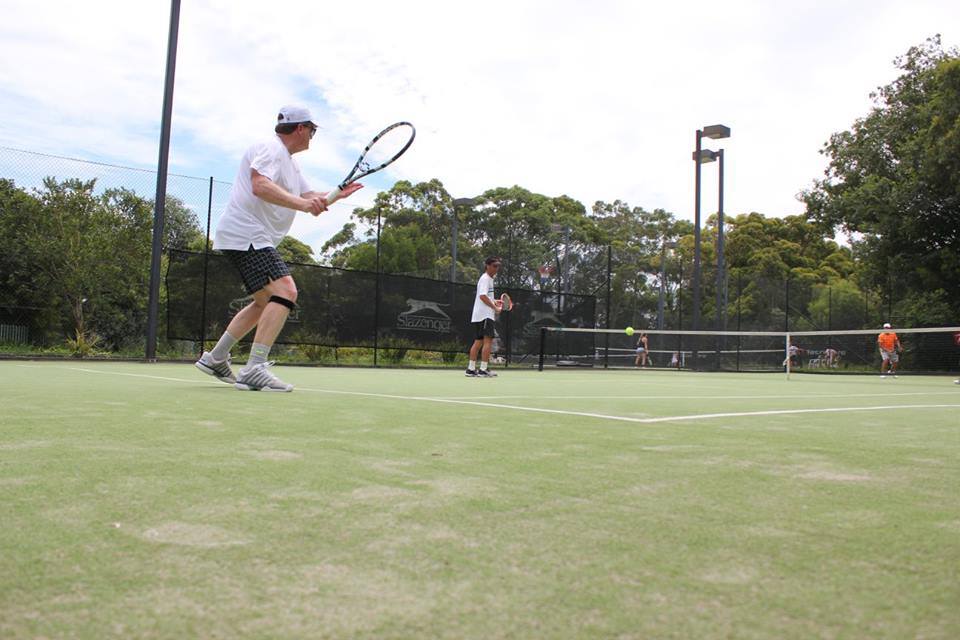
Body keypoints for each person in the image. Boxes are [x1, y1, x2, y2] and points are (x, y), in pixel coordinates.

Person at [195, 105, 362, 391]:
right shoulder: (270, 148)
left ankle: (216, 357)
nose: (313, 135)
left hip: (246, 234)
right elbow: (260, 185)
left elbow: (309, 196)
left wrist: (336, 194)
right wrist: (304, 205)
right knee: (286, 291)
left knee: (265, 302)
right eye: (313, 130)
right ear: (301, 128)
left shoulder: (289, 161)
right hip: (246, 232)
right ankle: (255, 368)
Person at [465, 257, 502, 378]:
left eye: (498, 266)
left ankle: (470, 369)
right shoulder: (485, 278)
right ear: (487, 266)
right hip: (485, 315)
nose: (497, 268)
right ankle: (483, 370)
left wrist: (494, 301)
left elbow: (486, 296)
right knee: (488, 341)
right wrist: (495, 308)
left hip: (479, 315)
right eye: (494, 266)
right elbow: (482, 296)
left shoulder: (489, 279)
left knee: (478, 342)